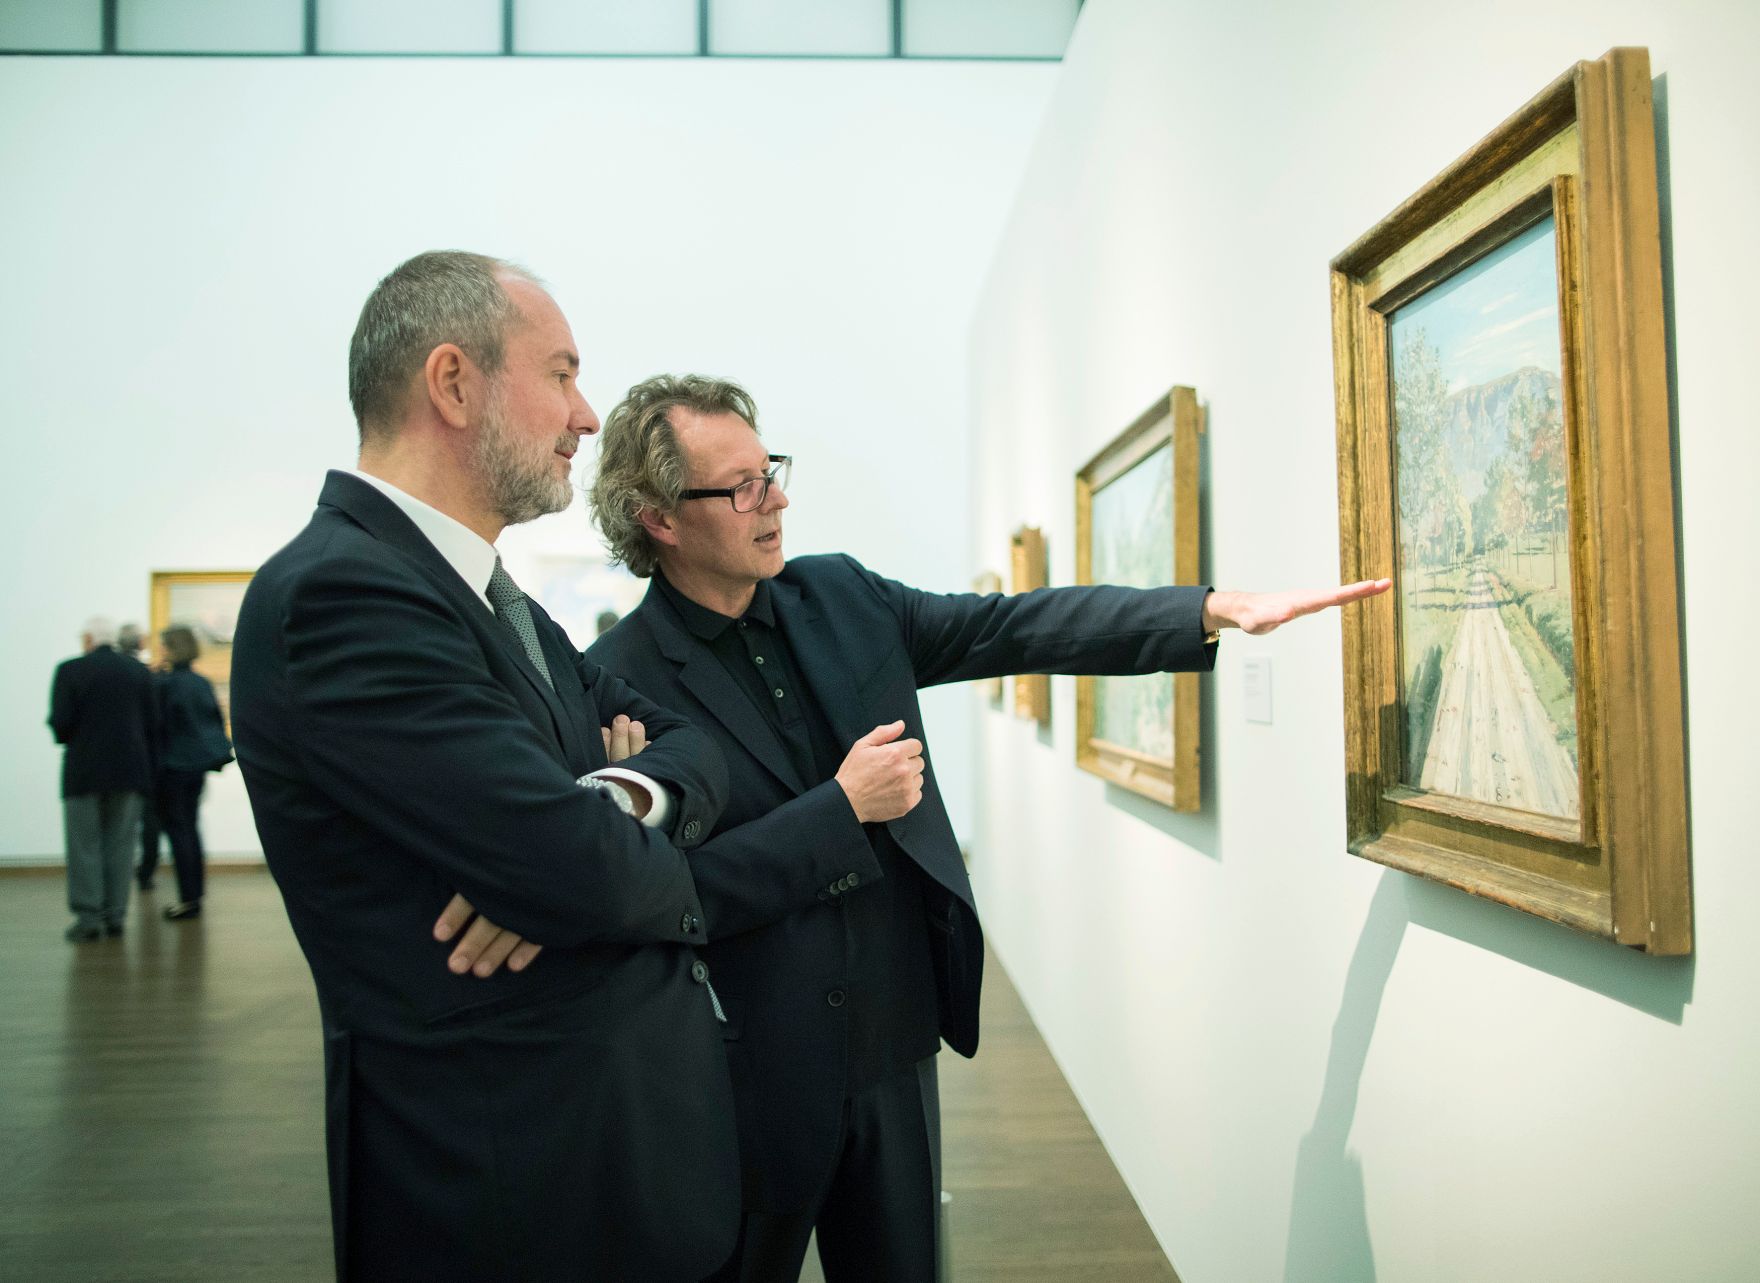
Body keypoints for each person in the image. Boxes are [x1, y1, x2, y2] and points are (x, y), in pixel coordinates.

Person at [548, 373, 1381, 1281]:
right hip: (751, 1069)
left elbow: (1014, 627)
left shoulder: (845, 597)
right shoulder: (616, 684)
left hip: (897, 1040)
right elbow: (669, 900)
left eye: (772, 469)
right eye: (743, 486)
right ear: (660, 518)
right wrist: (841, 808)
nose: (776, 499)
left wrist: (1203, 612)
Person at [229, 253, 739, 1282]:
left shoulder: (482, 591)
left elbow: (689, 743)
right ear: (454, 383)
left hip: (602, 1165)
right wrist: (568, 855)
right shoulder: (343, 596)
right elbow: (579, 871)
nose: (586, 414)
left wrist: (614, 792)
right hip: (513, 1194)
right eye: (560, 372)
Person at [47, 616, 158, 942]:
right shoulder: (138, 672)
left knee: (84, 846)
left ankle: (88, 918)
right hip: (130, 770)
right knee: (121, 845)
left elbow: (61, 725)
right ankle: (116, 915)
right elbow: (154, 724)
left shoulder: (70, 670)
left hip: (84, 770)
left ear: (88, 639)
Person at [154, 625, 229, 922]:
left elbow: (158, 727)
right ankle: (194, 894)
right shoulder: (200, 682)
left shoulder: (165, 684)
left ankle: (188, 899)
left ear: (171, 648)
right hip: (197, 765)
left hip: (173, 766)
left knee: (179, 829)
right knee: (191, 827)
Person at [117, 621, 166, 890]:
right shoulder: (145, 675)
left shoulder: (128, 673)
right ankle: (146, 872)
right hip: (145, 760)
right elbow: (154, 722)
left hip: (114, 763)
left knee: (118, 825)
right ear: (140, 643)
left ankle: (123, 876)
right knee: (149, 821)